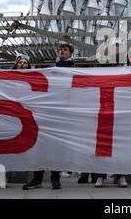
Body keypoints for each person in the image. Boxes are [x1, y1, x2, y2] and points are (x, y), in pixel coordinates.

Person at [23, 44, 76, 190]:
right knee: (40, 145)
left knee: (56, 147)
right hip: (47, 112)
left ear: (70, 53)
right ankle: (37, 178)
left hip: (63, 113)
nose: (62, 51)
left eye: (65, 50)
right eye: (60, 49)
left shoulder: (75, 68)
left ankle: (55, 178)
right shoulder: (51, 69)